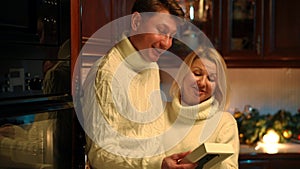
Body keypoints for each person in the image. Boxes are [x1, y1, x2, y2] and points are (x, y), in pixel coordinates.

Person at [80, 0, 200, 168]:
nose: (166, 43)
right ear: (136, 22)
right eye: (161, 31)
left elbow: (153, 137)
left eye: (171, 36)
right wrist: (157, 164)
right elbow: (101, 156)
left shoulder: (152, 66)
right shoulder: (106, 74)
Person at [162, 47, 239, 169]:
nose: (202, 83)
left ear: (217, 86)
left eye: (211, 78)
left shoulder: (224, 123)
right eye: (197, 73)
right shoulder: (160, 113)